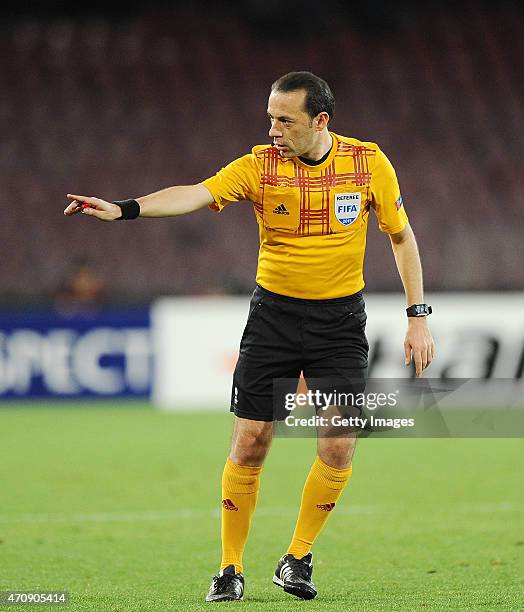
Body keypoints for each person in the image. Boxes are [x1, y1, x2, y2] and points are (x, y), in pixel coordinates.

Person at [64, 71, 435, 602]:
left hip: (340, 322)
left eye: (285, 120)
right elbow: (195, 193)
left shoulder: (368, 163)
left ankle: (298, 559)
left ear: (320, 121)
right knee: (251, 441)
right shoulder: (260, 165)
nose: (274, 129)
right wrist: (123, 208)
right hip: (274, 319)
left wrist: (416, 314)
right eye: (270, 118)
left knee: (339, 443)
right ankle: (229, 568)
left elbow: (401, 237)